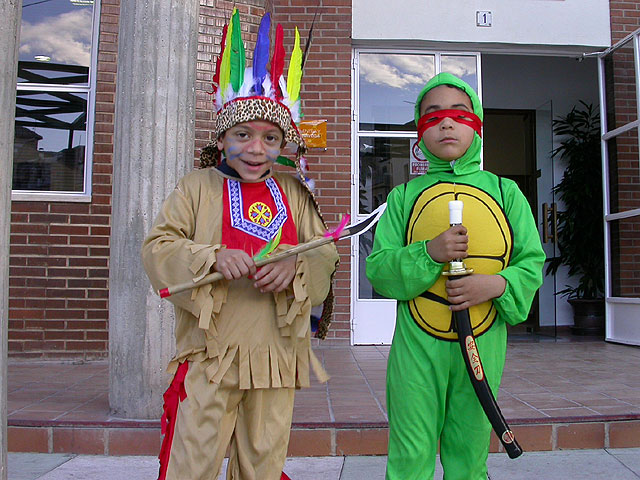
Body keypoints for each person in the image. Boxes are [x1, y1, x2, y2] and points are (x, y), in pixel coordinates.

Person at [142, 10, 339, 480]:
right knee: (194, 459)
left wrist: (296, 269)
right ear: (222, 138)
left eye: (270, 138)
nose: (256, 149)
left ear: (283, 143)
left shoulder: (295, 191)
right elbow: (158, 247)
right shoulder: (196, 187)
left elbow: (323, 251)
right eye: (243, 135)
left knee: (263, 462)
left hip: (277, 355)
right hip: (210, 354)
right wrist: (211, 256)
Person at [365, 72, 545, 480]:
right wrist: (429, 253)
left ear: (477, 124)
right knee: (411, 453)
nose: (446, 122)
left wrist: (495, 283)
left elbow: (531, 261)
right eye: (433, 115)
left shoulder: (505, 192)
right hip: (416, 349)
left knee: (468, 452)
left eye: (459, 114)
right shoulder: (403, 197)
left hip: (482, 343)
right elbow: (380, 269)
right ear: (419, 130)